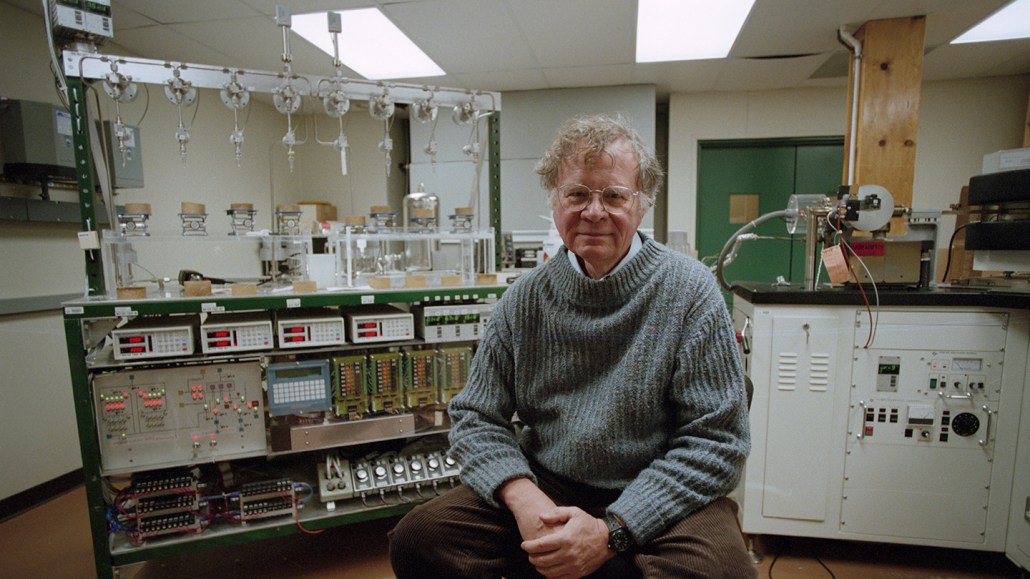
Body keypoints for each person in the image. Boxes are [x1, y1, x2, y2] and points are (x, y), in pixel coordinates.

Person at [389, 114, 754, 578]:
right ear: (554, 201)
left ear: (643, 204)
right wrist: (524, 498)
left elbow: (718, 441)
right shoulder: (524, 299)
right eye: (577, 193)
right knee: (420, 539)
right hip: (548, 483)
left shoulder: (691, 292)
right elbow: (475, 417)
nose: (594, 211)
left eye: (615, 195)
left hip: (660, 485)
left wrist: (614, 530)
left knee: (720, 571)